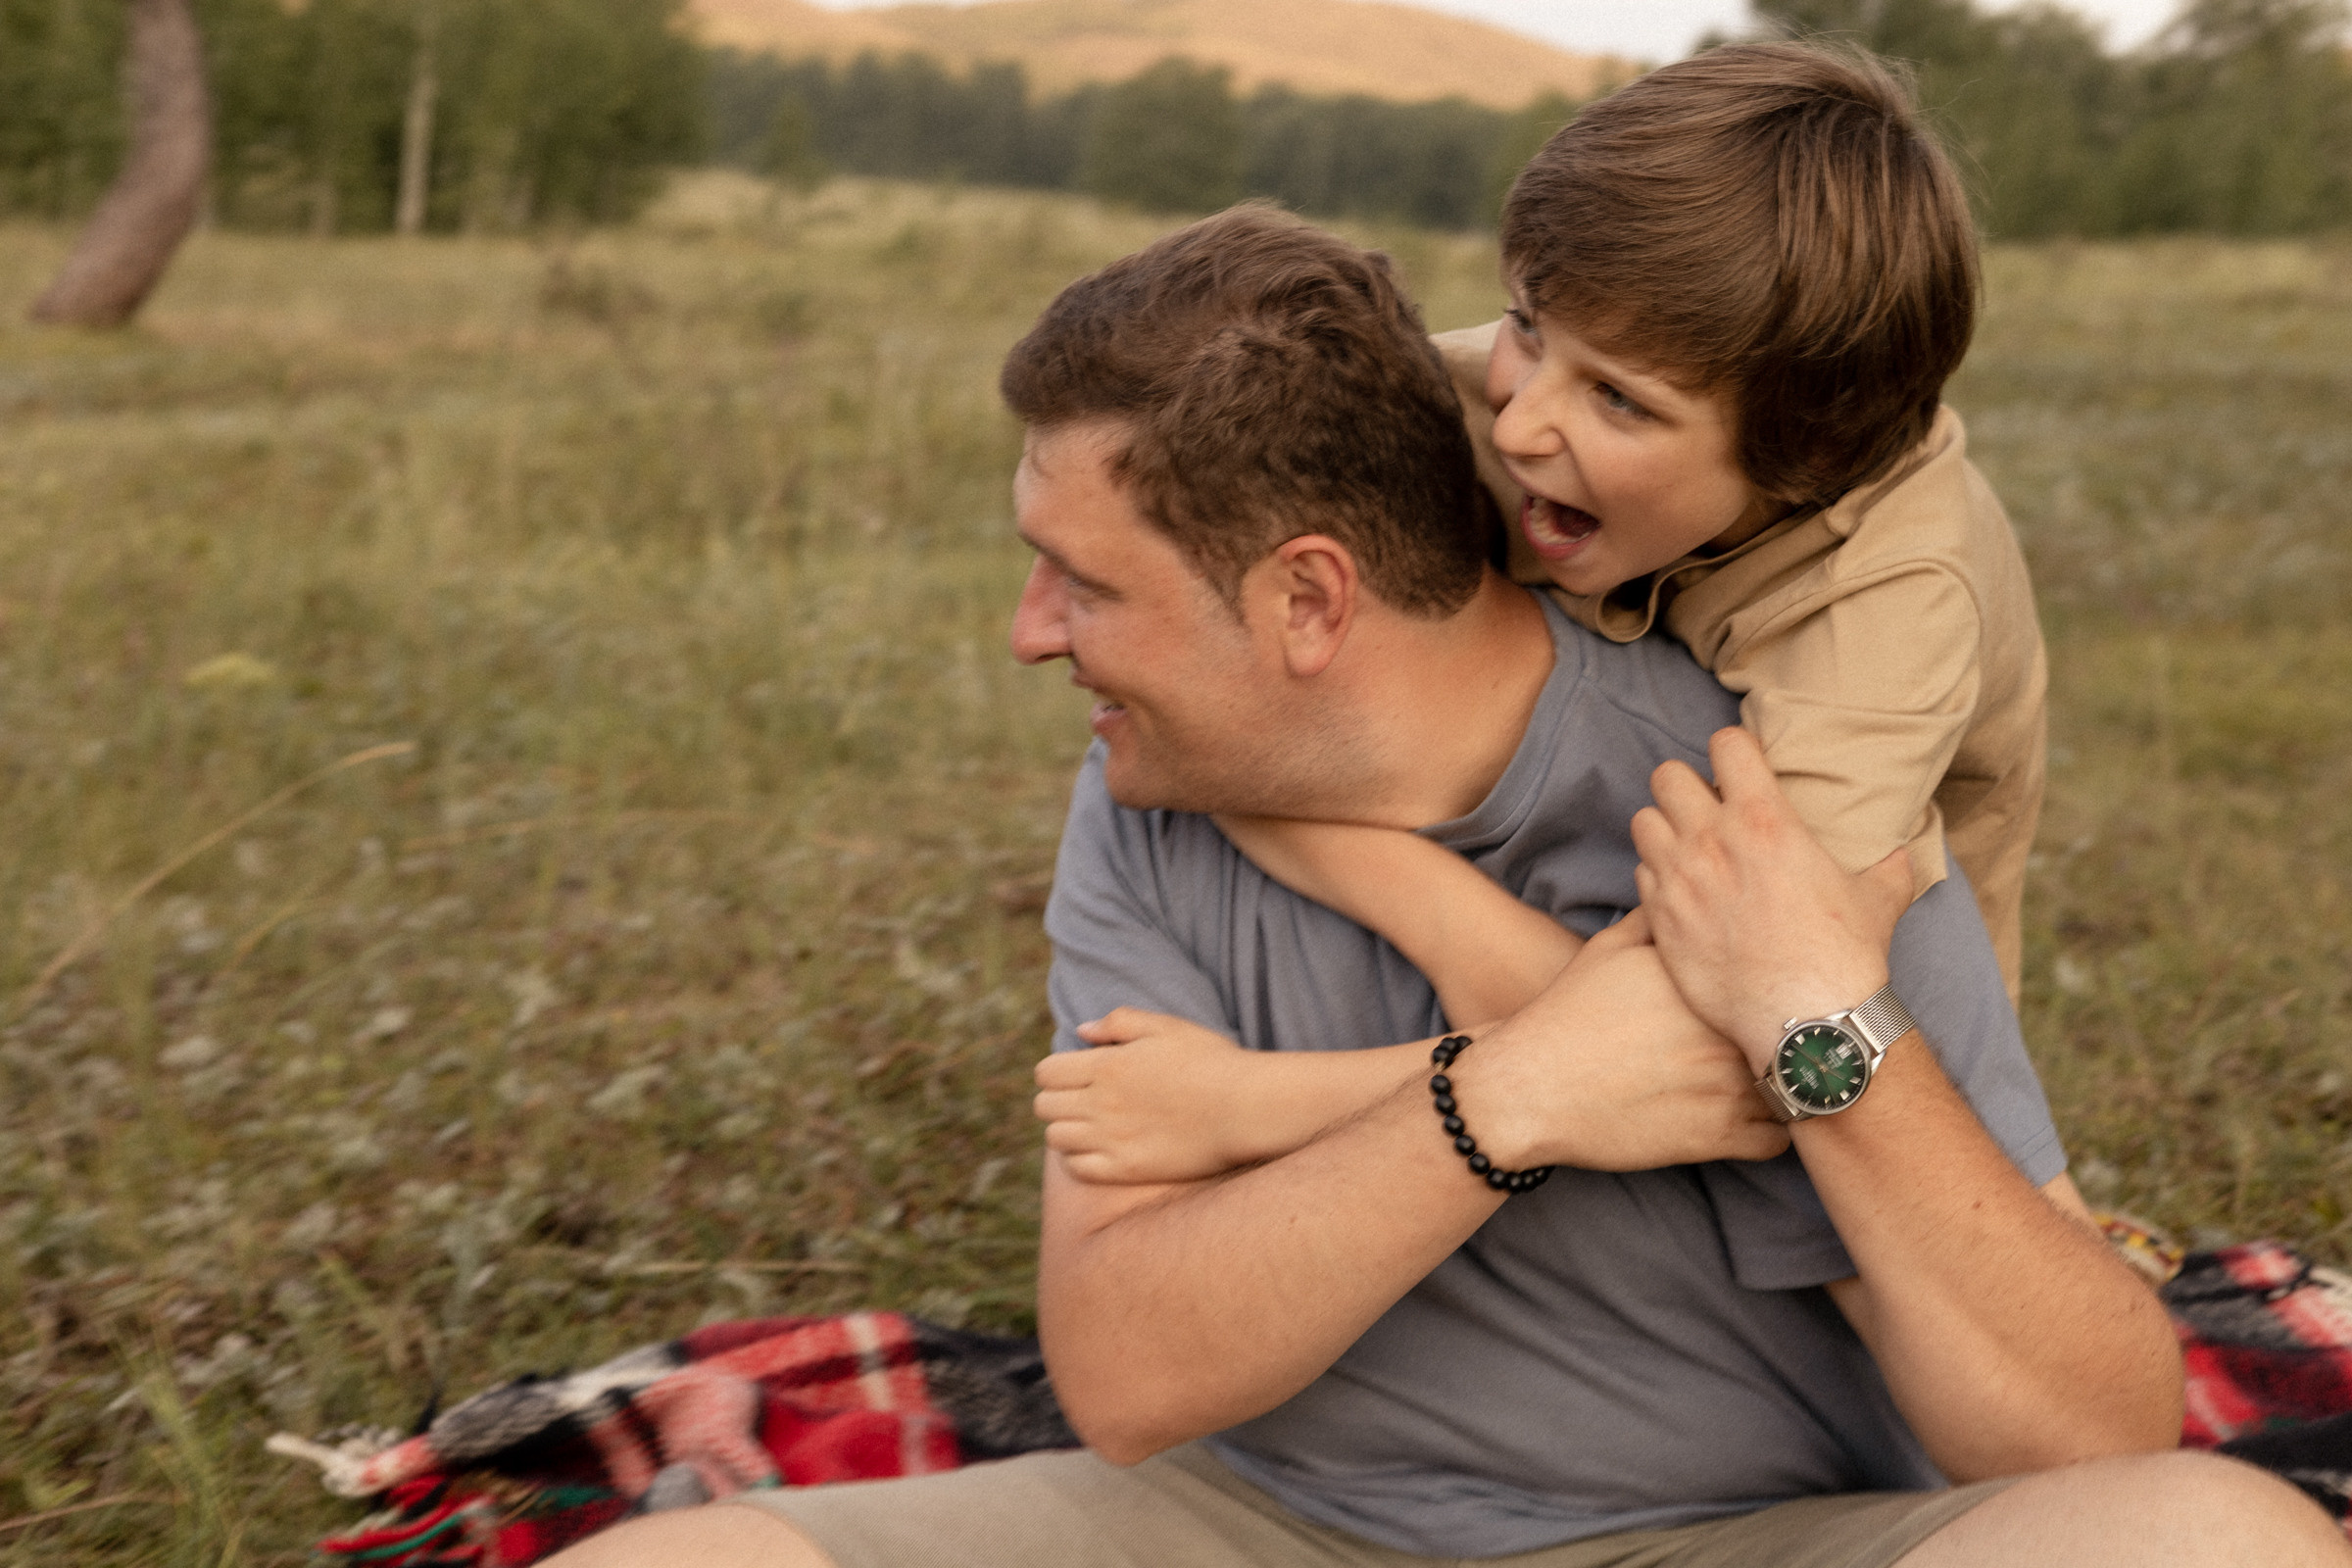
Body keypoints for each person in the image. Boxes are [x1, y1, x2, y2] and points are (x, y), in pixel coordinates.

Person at [543, 205, 2347, 1568]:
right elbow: (1127, 1370)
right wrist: (1525, 1095)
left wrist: (1812, 1028)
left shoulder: (1770, 793)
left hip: (1738, 1542)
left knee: (2213, 1544)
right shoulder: (1156, 794)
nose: (1031, 639)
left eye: (1080, 583)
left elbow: (2091, 1433)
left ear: (1311, 599)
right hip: (1261, 1530)